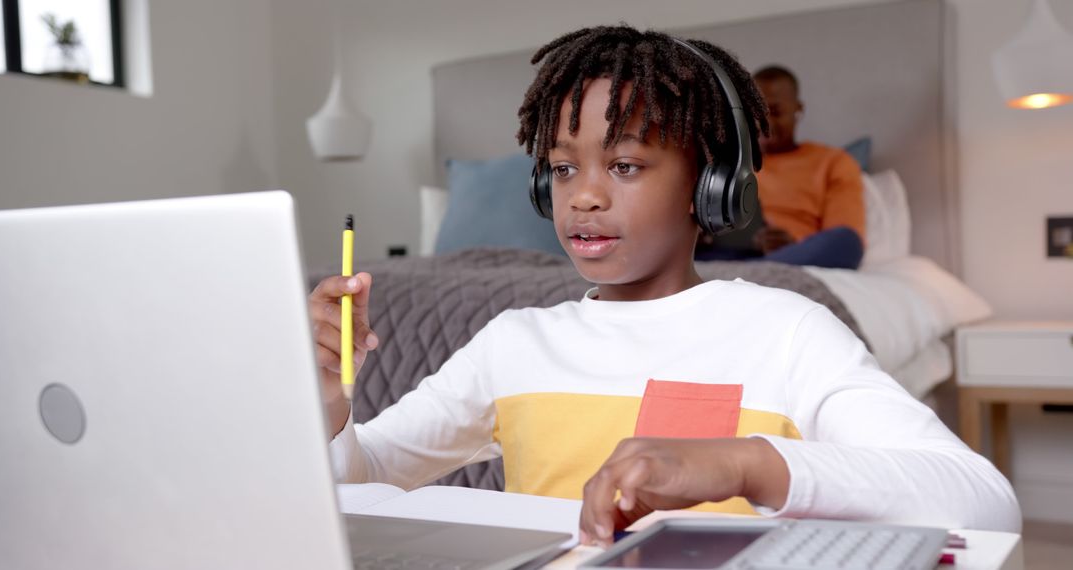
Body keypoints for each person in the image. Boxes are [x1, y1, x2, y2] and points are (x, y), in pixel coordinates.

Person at [309, 26, 1019, 549]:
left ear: (710, 185)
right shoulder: (514, 343)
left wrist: (743, 462)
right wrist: (334, 401)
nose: (582, 196)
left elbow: (986, 504)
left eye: (623, 166)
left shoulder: (786, 332)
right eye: (561, 169)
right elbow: (360, 483)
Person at [751, 64, 866, 268]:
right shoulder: (726, 162)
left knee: (846, 241)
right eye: (757, 112)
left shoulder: (832, 162)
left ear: (798, 109)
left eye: (776, 112)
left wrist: (794, 245)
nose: (765, 123)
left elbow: (843, 235)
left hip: (795, 254)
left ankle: (755, 270)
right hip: (730, 252)